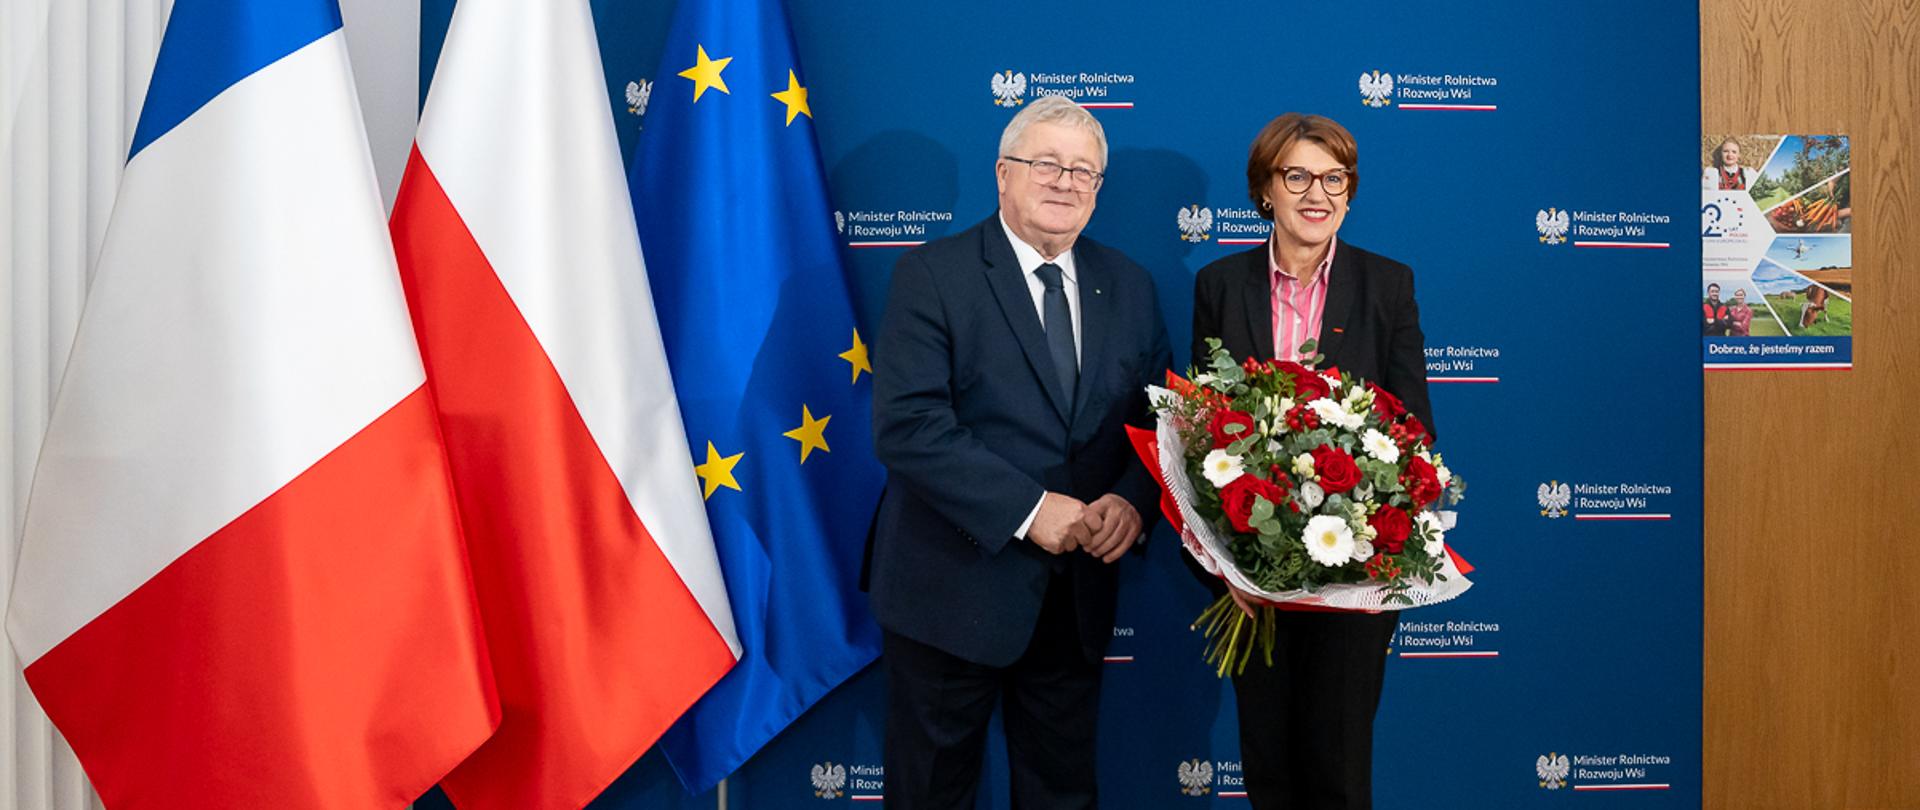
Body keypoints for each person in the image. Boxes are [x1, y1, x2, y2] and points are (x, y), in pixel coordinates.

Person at [867, 94, 1172, 809]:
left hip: (1074, 600)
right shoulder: (933, 274)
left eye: (1083, 171)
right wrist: (1030, 510)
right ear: (1003, 173)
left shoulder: (1130, 285)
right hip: (949, 591)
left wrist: (1131, 499)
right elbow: (908, 425)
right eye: (1047, 164)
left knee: (1062, 795)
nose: (1065, 182)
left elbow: (1157, 418)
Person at [1189, 113, 1435, 810]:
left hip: (1354, 582)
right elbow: (1199, 436)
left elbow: (1414, 430)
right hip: (1252, 579)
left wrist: (1369, 530)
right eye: (1297, 176)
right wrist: (1226, 562)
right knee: (1268, 768)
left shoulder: (1388, 284)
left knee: (1337, 773)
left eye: (1334, 179)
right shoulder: (1219, 284)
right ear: (1265, 189)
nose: (1317, 194)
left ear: (1350, 192)